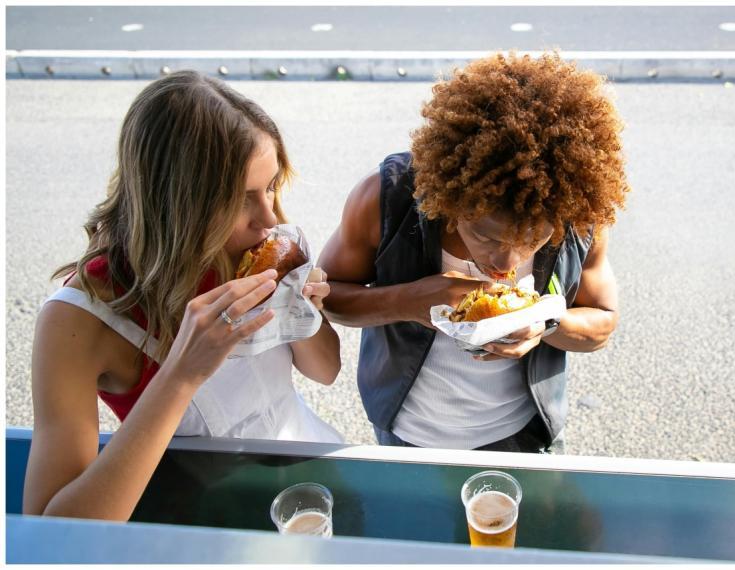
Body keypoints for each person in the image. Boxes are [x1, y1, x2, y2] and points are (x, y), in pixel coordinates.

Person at [23, 70, 343, 521]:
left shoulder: (250, 249)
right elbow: (50, 528)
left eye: (270, 186)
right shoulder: (77, 318)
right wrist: (180, 374)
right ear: (177, 205)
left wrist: (304, 310)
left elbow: (325, 370)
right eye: (241, 198)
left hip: (307, 484)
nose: (269, 217)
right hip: (200, 518)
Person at [318, 52, 629, 453]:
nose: (507, 264)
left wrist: (545, 323)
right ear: (448, 201)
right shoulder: (386, 197)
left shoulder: (576, 214)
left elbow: (602, 323)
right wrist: (410, 300)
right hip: (406, 432)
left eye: (532, 240)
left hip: (525, 436)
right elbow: (327, 298)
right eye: (486, 236)